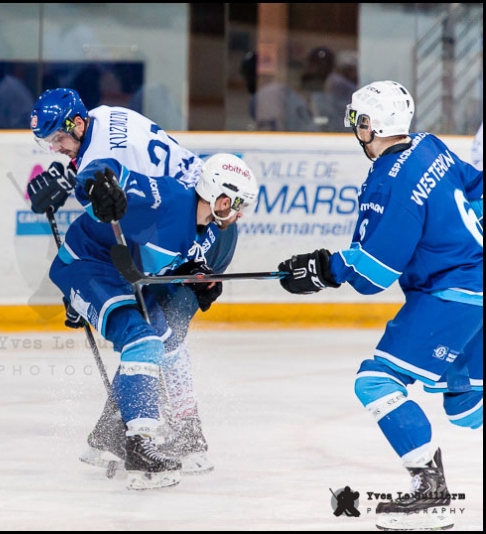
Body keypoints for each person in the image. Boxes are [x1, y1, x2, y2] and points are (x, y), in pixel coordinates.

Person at [277, 80, 482, 531]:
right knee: (466, 406)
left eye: (358, 121)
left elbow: (373, 275)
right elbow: (479, 190)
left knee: (375, 381)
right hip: (476, 287)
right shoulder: (431, 147)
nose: (355, 129)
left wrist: (322, 269)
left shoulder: (390, 181)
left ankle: (430, 493)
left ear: (371, 125)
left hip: (453, 295)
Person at [26, 88, 239, 475]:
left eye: (58, 137)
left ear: (76, 123)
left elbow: (102, 175)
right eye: (49, 142)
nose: (55, 147)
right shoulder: (104, 115)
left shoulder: (100, 154)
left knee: (163, 335)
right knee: (154, 332)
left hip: (200, 229)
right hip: (186, 225)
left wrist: (74, 185)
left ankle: (179, 433)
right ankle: (124, 432)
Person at [44, 151, 258, 489]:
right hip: (88, 264)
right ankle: (139, 444)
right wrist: (99, 184)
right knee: (143, 344)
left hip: (125, 276)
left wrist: (195, 276)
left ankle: (119, 434)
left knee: (168, 344)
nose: (239, 212)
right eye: (237, 202)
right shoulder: (169, 198)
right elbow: (109, 169)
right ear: (219, 193)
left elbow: (166, 261)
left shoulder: (204, 231)